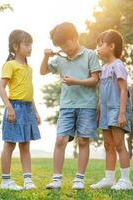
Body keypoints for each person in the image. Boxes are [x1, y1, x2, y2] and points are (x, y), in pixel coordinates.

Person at [40, 22, 101, 190]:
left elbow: (95, 80)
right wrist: (46, 56)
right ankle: (56, 179)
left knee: (83, 141)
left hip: (86, 106)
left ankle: (79, 179)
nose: (64, 48)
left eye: (65, 44)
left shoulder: (90, 55)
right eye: (60, 46)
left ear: (75, 38)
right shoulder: (60, 58)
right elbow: (43, 71)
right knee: (60, 140)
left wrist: (75, 82)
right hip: (66, 106)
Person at [0, 30, 41, 190]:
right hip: (14, 108)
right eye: (26, 44)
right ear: (15, 46)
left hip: (27, 108)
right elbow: (1, 88)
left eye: (31, 44)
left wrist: (35, 111)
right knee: (9, 144)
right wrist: (9, 107)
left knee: (25, 145)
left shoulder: (29, 68)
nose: (30, 47)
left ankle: (28, 180)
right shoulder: (10, 65)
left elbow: (30, 92)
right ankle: (6, 181)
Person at [90, 30, 133, 190]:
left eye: (100, 45)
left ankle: (125, 180)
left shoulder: (118, 65)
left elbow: (123, 90)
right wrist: (99, 110)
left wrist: (122, 113)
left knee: (119, 144)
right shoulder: (103, 68)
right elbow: (102, 92)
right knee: (108, 144)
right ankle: (109, 178)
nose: (98, 49)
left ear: (112, 46)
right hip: (105, 111)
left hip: (117, 110)